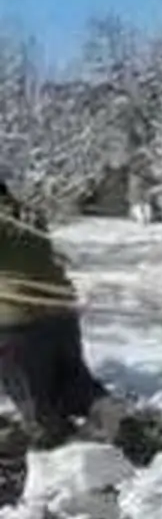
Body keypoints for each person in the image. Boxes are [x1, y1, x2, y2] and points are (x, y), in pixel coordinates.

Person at [0, 182, 133, 450]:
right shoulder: (26, 214)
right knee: (69, 376)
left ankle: (58, 456)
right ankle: (99, 404)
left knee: (33, 394)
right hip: (61, 311)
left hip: (19, 320)